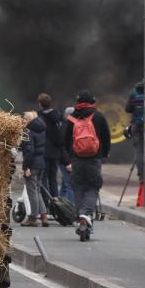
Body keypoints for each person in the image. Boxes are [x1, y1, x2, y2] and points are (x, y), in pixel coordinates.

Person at [64, 90, 111, 240]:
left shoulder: (71, 118)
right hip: (94, 158)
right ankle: (86, 213)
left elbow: (65, 140)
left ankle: (80, 218)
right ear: (92, 102)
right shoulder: (98, 116)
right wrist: (105, 154)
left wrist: (70, 156)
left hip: (77, 159)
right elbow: (106, 137)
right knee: (93, 186)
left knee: (79, 187)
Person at [20, 112, 50, 227]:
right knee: (37, 191)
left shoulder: (28, 131)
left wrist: (26, 167)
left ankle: (33, 218)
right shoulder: (41, 129)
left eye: (23, 120)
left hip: (32, 164)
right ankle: (44, 216)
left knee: (32, 191)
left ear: (27, 120)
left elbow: (29, 150)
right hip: (41, 163)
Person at [37, 93, 67, 201]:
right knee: (53, 178)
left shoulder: (39, 117)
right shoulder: (58, 117)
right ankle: (55, 203)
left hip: (43, 152)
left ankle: (45, 204)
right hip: (55, 153)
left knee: (43, 179)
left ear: (40, 104)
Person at [126, 81, 145, 185]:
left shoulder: (134, 92)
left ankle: (142, 176)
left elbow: (127, 109)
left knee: (139, 151)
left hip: (137, 126)